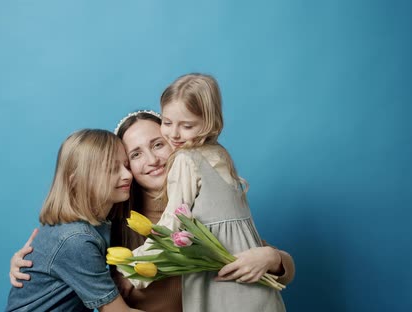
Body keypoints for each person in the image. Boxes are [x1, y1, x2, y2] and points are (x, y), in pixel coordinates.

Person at [10, 110, 295, 311]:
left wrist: (273, 259)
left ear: (175, 144)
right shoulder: (116, 217)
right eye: (135, 155)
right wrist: (26, 264)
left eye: (158, 145)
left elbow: (265, 259)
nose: (152, 160)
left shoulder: (202, 199)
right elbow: (66, 250)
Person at [122, 73, 288, 311]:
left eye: (186, 126)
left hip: (224, 292)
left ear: (209, 123)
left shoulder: (186, 160)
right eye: (167, 123)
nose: (174, 134)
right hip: (260, 297)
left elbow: (171, 225)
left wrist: (132, 269)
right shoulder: (219, 154)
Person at [5, 129, 142, 312]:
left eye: (126, 165)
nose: (127, 175)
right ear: (76, 180)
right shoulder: (76, 239)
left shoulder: (98, 224)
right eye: (111, 169)